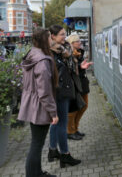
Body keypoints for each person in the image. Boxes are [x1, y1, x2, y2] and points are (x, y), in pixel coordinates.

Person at [18, 28, 59, 177]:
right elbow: (44, 92)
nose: (51, 40)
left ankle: (37, 172)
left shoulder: (32, 53)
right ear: (44, 39)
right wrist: (53, 113)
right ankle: (33, 174)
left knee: (37, 142)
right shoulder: (42, 60)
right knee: (36, 144)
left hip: (31, 104)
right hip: (40, 107)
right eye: (49, 37)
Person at [47, 25, 81, 168]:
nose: (64, 37)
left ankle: (53, 150)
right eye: (61, 34)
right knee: (61, 123)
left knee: (56, 123)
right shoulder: (52, 53)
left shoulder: (61, 50)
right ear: (53, 36)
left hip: (62, 90)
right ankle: (65, 155)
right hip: (60, 92)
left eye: (64, 34)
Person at [66, 34, 93, 140]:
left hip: (82, 84)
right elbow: (70, 69)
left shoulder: (80, 53)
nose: (80, 42)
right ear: (71, 43)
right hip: (75, 85)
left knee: (84, 106)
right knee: (74, 109)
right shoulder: (68, 55)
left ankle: (75, 129)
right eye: (77, 41)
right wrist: (80, 67)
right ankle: (70, 131)